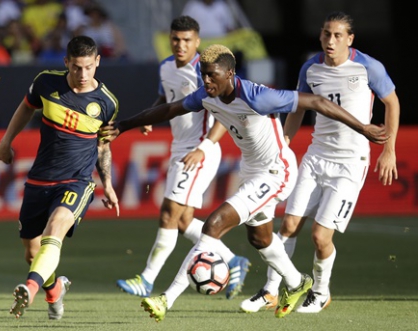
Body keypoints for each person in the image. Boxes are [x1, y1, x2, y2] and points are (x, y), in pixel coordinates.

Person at [98, 44, 389, 321]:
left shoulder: (257, 96)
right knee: (259, 238)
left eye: (212, 75)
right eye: (203, 74)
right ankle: (296, 281)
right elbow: (170, 109)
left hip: (277, 171)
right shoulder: (205, 95)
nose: (206, 80)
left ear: (229, 74)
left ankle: (166, 299)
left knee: (213, 224)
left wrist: (363, 127)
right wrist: (123, 126)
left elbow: (316, 101)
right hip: (251, 171)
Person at [240, 11, 400, 314]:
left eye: (338, 35)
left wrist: (388, 150)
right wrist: (283, 144)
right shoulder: (311, 68)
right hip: (316, 157)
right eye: (326, 34)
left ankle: (320, 291)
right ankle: (271, 291)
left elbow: (391, 102)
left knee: (319, 235)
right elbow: (298, 107)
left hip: (350, 162)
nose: (330, 40)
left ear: (349, 39)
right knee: (287, 225)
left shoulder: (367, 66)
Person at [115, 16, 250, 301]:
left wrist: (204, 147)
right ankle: (232, 259)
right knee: (183, 219)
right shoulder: (166, 67)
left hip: (200, 151)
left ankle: (147, 279)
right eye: (176, 39)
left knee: (169, 213)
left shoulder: (206, 72)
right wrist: (152, 114)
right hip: (181, 148)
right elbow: (166, 97)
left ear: (197, 42)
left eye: (187, 40)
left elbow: (225, 115)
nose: (180, 45)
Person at [0, 35, 120, 320]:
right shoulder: (46, 83)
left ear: (98, 62)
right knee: (32, 252)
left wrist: (108, 185)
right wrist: (6, 142)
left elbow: (103, 147)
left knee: (55, 231)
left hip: (77, 181)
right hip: (40, 179)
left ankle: (30, 287)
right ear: (66, 63)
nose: (83, 74)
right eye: (77, 67)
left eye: (89, 67)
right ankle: (54, 291)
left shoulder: (107, 102)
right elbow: (27, 106)